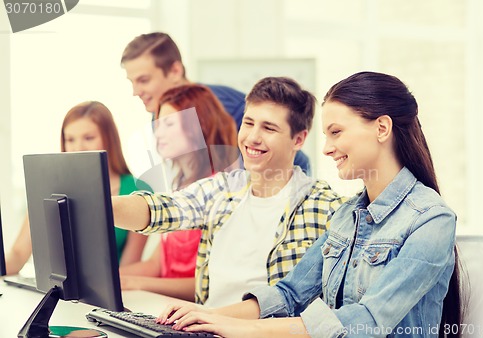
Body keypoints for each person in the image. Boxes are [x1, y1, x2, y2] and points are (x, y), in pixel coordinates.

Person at [158, 72, 463, 338]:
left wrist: (239, 329)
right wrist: (211, 316)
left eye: (336, 132)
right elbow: (289, 294)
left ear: (382, 128)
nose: (327, 148)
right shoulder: (348, 216)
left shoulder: (431, 220)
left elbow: (367, 321)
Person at [111, 77, 345, 307]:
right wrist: (98, 206)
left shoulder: (323, 207)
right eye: (249, 123)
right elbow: (160, 209)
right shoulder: (222, 190)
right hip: (204, 327)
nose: (253, 137)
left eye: (268, 128)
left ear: (299, 139)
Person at [120, 32, 312, 175]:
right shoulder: (158, 115)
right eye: (132, 82)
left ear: (175, 71)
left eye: (144, 80)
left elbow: (297, 161)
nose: (136, 92)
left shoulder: (226, 107)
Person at [119, 84, 239, 301]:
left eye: (169, 123)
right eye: (158, 124)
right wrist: (111, 278)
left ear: (199, 125)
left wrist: (135, 283)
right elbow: (157, 264)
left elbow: (211, 284)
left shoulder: (223, 192)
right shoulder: (180, 190)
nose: (158, 133)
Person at [5, 101, 151, 275]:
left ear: (109, 139)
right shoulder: (48, 187)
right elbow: (18, 254)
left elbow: (127, 269)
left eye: (88, 138)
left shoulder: (138, 189)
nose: (77, 148)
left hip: (113, 294)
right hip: (57, 292)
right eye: (70, 139)